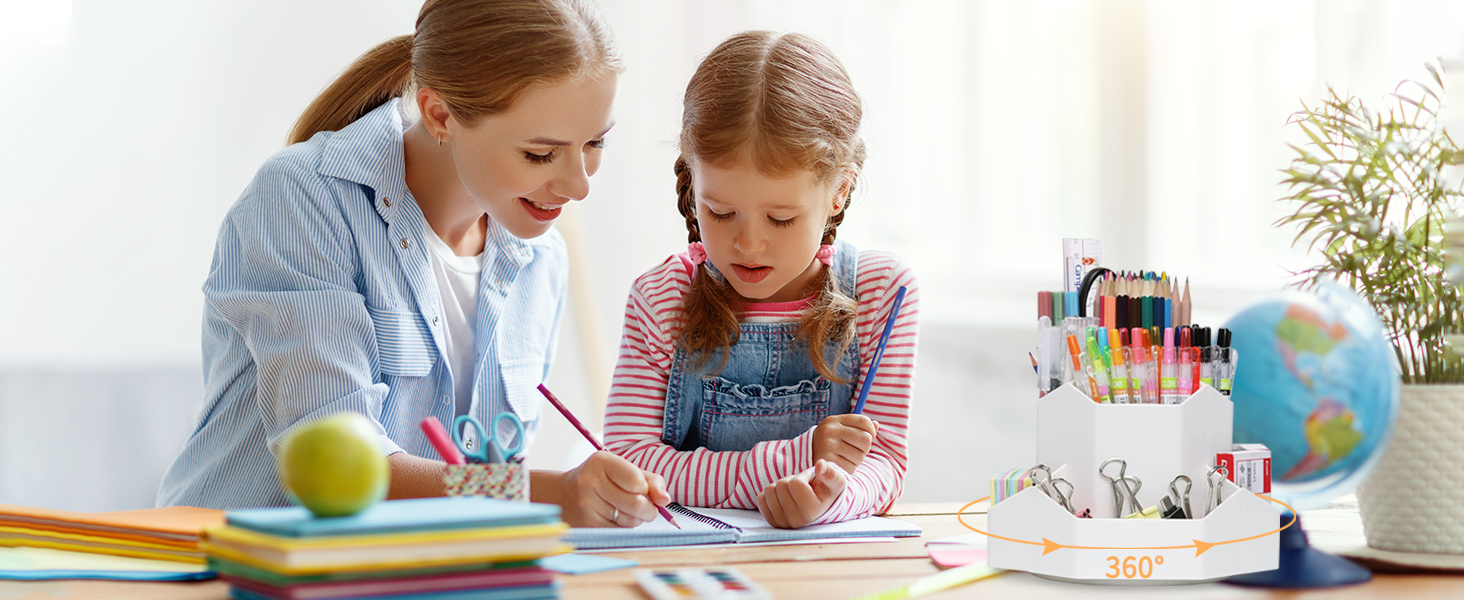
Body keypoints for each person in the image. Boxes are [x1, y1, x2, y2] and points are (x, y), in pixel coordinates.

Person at [157, 0, 671, 528]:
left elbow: (477, 479)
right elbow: (339, 471)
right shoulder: (301, 200)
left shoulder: (540, 254)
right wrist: (546, 493)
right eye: (540, 155)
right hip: (230, 567)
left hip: (411, 572)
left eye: (594, 143)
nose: (579, 185)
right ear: (440, 114)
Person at [601, 31, 918, 529]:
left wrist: (830, 499)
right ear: (691, 180)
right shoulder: (661, 297)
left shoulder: (882, 293)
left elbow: (884, 464)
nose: (747, 244)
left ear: (839, 192)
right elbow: (627, 462)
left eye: (781, 219)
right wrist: (784, 463)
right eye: (720, 211)